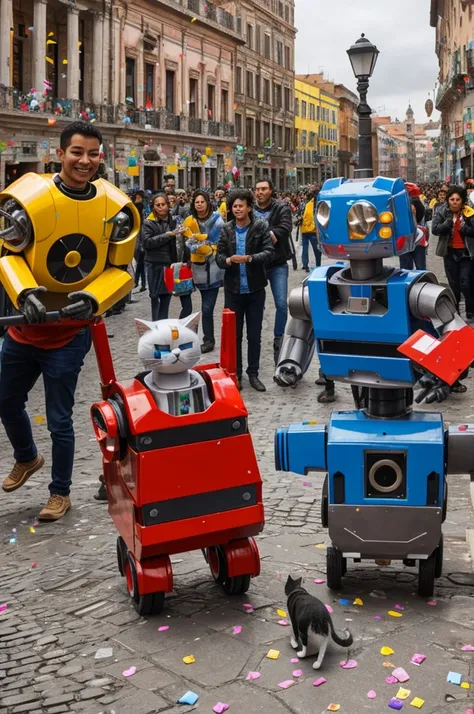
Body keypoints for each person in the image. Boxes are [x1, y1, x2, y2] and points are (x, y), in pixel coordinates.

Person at [0, 120, 139, 520]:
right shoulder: (29, 196)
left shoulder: (116, 206)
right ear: (60, 153)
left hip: (67, 333)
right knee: (6, 400)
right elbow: (8, 254)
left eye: (93, 154)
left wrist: (92, 300)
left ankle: (60, 492)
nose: (85, 161)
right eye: (77, 152)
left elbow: (122, 269)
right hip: (24, 328)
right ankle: (26, 457)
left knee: (60, 418)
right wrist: (25, 293)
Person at [216, 189, 274, 392]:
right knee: (234, 335)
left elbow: (268, 252)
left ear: (249, 207)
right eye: (234, 206)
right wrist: (228, 260)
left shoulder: (260, 226)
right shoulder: (226, 229)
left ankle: (253, 373)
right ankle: (236, 374)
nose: (238, 209)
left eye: (241, 205)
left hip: (255, 289)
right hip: (233, 290)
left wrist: (249, 258)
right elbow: (219, 257)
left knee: (254, 334)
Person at [253, 178, 293, 363]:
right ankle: (255, 339)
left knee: (281, 304)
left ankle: (279, 340)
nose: (259, 192)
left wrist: (267, 232)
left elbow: (285, 227)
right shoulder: (250, 209)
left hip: (277, 263)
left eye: (263, 189)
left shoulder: (281, 207)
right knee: (256, 306)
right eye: (257, 189)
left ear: (271, 190)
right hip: (257, 264)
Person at [183, 190, 225, 353]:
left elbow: (221, 240)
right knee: (200, 303)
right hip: (197, 266)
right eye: (197, 202)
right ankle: (196, 338)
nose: (199, 204)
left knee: (207, 307)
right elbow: (188, 241)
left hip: (214, 266)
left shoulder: (217, 220)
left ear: (208, 202)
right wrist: (194, 245)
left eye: (202, 201)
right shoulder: (189, 221)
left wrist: (207, 246)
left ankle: (208, 340)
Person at [142, 193, 192, 321]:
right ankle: (157, 330)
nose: (160, 207)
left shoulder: (175, 220)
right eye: (157, 205)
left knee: (166, 298)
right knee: (155, 298)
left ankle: (168, 328)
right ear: (153, 207)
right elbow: (147, 243)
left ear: (168, 205)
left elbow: (182, 241)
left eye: (163, 204)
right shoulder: (148, 222)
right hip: (155, 265)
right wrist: (168, 235)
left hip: (171, 265)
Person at [432, 184, 474, 321]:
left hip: (466, 253)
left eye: (457, 199)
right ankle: (456, 311)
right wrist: (448, 223)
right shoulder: (441, 211)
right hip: (449, 252)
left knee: (466, 283)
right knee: (454, 284)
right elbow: (435, 229)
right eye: (452, 199)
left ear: (462, 200)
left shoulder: (469, 213)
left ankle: (470, 310)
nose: (454, 202)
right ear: (448, 200)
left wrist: (464, 228)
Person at [301, 190, 321, 272]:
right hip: (313, 230)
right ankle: (318, 264)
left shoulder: (307, 204)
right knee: (317, 249)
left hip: (304, 229)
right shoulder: (317, 205)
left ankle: (305, 265)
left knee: (305, 248)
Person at [133, 190, 147, 292]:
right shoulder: (137, 208)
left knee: (140, 263)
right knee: (139, 264)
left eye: (139, 197)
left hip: (140, 242)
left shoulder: (140, 207)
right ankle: (139, 282)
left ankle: (139, 282)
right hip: (138, 241)